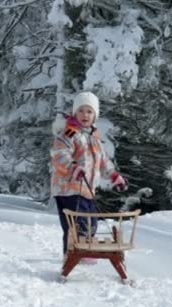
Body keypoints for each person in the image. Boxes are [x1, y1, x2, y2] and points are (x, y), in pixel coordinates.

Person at [50, 91, 128, 264]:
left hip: (86, 188)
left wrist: (114, 175)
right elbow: (59, 153)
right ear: (75, 113)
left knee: (91, 220)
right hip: (67, 187)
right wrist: (72, 168)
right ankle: (78, 252)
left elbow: (103, 161)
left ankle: (76, 253)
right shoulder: (70, 133)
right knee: (78, 221)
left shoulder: (94, 137)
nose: (85, 115)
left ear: (95, 116)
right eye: (81, 110)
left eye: (89, 111)